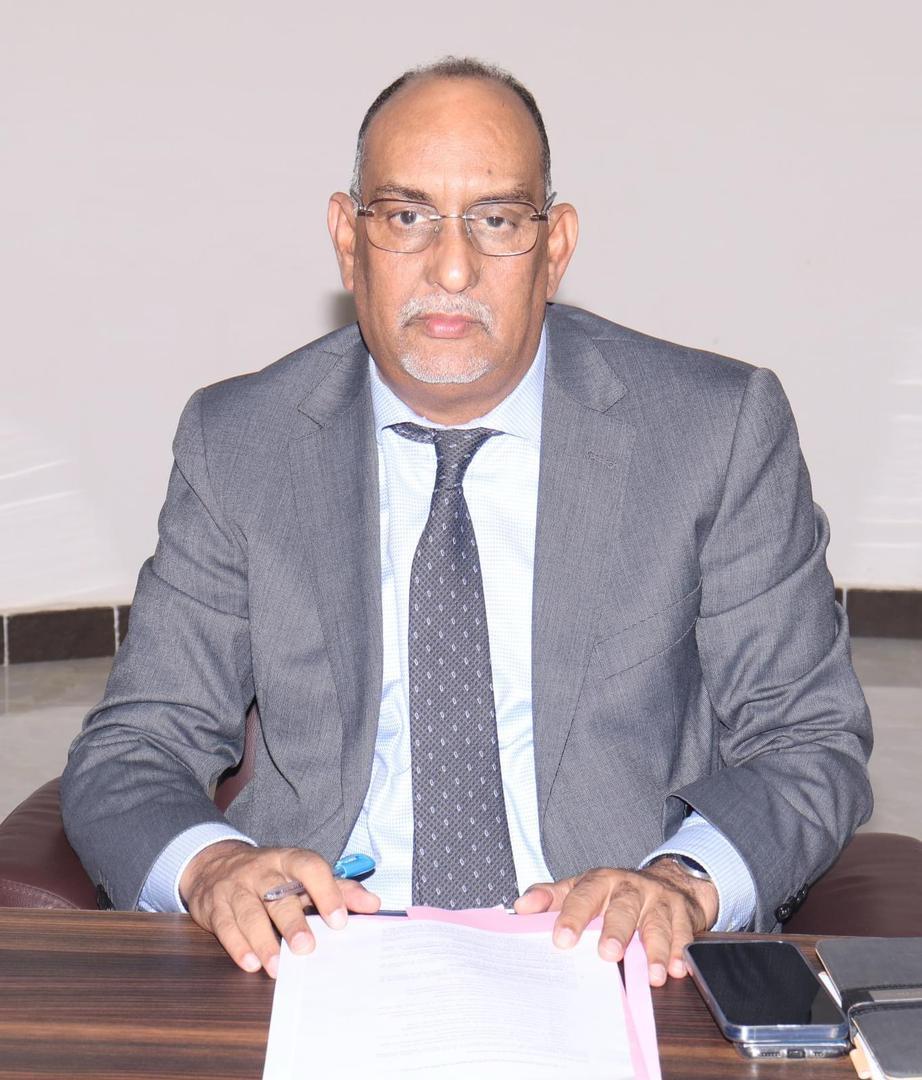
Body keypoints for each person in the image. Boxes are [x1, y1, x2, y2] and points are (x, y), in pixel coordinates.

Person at [61, 57, 872, 987]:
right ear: (348, 239)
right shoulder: (241, 441)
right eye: (407, 217)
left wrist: (682, 883)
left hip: (608, 950)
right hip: (314, 951)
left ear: (556, 247)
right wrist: (213, 869)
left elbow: (808, 738)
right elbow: (135, 747)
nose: (452, 268)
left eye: (498, 219)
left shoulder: (712, 429)